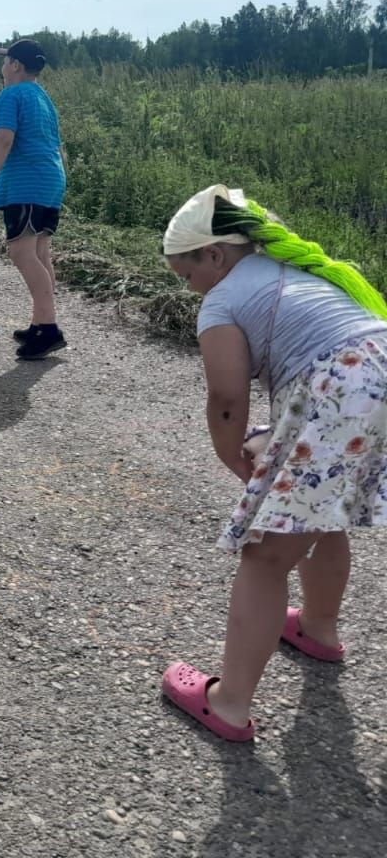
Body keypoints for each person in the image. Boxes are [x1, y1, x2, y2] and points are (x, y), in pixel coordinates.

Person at [159, 184, 387, 742]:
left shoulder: (223, 300)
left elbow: (228, 399)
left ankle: (229, 703)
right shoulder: (300, 272)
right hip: (376, 370)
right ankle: (318, 627)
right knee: (319, 513)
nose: (190, 290)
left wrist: (231, 454)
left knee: (265, 554)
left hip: (344, 390)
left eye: (186, 275)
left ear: (213, 255)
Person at [0, 38, 67, 360]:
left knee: (20, 251)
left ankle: (50, 327)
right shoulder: (44, 98)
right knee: (40, 251)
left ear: (15, 65)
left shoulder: (11, 94)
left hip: (27, 182)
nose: (1, 68)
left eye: (4, 62)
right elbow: (55, 144)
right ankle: (40, 324)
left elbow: (4, 138)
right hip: (50, 180)